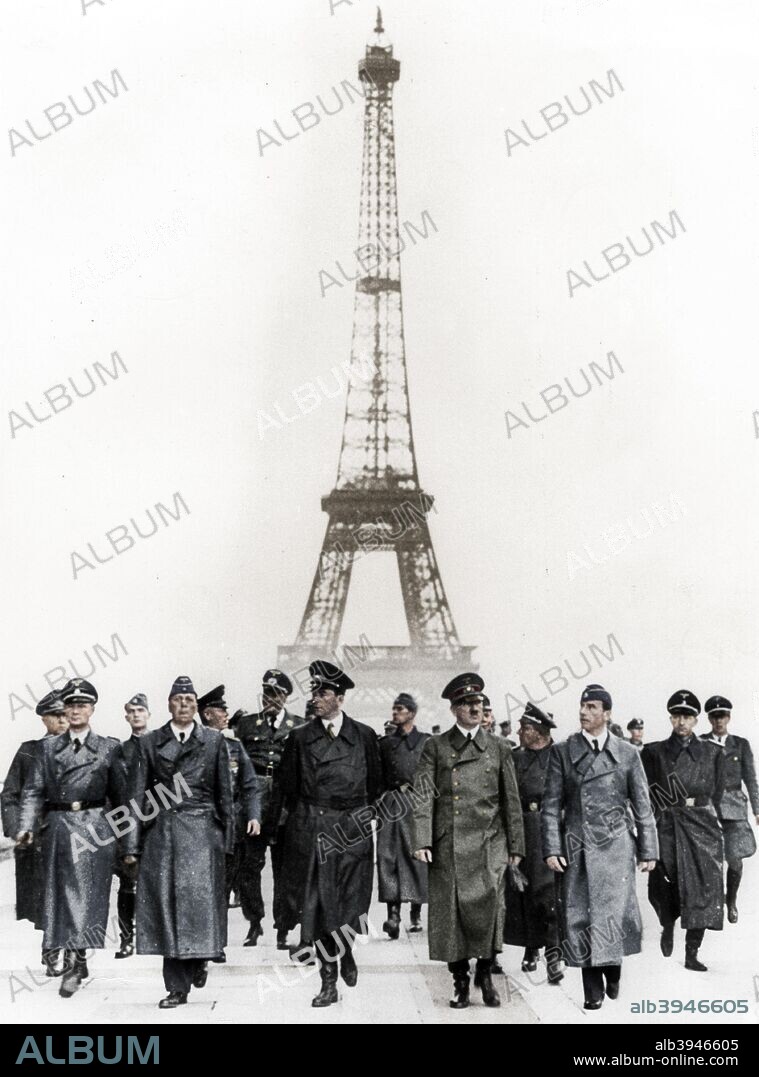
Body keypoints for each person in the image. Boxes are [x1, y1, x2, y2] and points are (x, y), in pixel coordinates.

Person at [124, 675, 239, 1008]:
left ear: (196, 707)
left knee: (199, 907)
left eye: (190, 700)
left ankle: (199, 958)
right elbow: (136, 796)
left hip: (203, 834)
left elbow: (225, 796)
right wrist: (131, 845)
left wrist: (227, 841)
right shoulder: (149, 744)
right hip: (164, 834)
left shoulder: (215, 742)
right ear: (169, 704)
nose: (184, 705)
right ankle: (177, 985)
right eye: (178, 700)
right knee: (169, 908)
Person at [542, 684, 658, 1010]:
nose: (584, 712)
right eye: (582, 706)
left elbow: (643, 805)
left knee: (612, 914)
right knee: (579, 915)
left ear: (607, 714)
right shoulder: (563, 752)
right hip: (577, 847)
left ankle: (613, 968)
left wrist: (648, 850)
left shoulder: (627, 754)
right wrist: (552, 848)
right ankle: (591, 987)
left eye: (592, 707)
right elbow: (551, 806)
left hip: (617, 847)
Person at [412, 673, 524, 1010]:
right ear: (454, 709)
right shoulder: (435, 747)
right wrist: (423, 840)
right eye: (466, 703)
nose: (475, 708)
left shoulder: (500, 748)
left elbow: (511, 800)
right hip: (449, 844)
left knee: (490, 911)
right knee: (450, 916)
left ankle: (486, 973)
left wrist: (516, 846)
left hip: (490, 843)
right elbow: (422, 797)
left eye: (478, 703)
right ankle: (460, 980)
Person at [274, 662, 382, 1008]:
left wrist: (368, 821)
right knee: (319, 908)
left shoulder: (364, 736)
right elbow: (286, 788)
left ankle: (345, 948)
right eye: (314, 692)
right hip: (314, 828)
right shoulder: (300, 737)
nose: (316, 699)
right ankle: (328, 980)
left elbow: (377, 785)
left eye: (323, 693)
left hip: (353, 828)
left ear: (340, 697)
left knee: (352, 902)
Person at [16, 679, 125, 998]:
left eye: (83, 705)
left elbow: (120, 796)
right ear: (65, 709)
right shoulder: (48, 749)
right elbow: (33, 790)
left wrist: (125, 841)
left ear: (92, 710)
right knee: (60, 898)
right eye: (71, 705)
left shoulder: (108, 747)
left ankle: (77, 961)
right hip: (58, 828)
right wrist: (25, 825)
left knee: (89, 898)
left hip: (94, 829)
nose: (76, 710)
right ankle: (72, 956)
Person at [642, 690, 725, 972]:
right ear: (670, 718)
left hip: (701, 823)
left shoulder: (713, 752)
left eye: (688, 716)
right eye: (677, 715)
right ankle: (668, 922)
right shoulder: (654, 752)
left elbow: (719, 791)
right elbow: (646, 793)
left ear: (696, 719)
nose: (682, 722)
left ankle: (692, 951)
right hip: (668, 823)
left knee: (704, 885)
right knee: (665, 879)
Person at [233, 670, 305, 949]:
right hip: (256, 800)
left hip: (285, 801)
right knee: (249, 865)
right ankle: (254, 922)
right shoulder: (247, 725)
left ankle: (284, 926)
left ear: (286, 696)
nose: (271, 699)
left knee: (284, 869)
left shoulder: (299, 726)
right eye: (267, 693)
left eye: (277, 695)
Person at [1, 691, 68, 977]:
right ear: (44, 718)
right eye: (56, 716)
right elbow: (10, 795)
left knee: (73, 893)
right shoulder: (29, 751)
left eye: (66, 714)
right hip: (40, 837)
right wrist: (19, 830)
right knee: (46, 896)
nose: (63, 721)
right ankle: (52, 949)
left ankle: (73, 952)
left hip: (75, 834)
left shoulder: (82, 748)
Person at [504, 702, 563, 984]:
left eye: (524, 728)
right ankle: (531, 948)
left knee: (548, 894)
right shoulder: (515, 758)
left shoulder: (560, 757)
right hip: (520, 828)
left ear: (537, 731)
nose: (518, 731)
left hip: (550, 829)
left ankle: (553, 953)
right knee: (522, 893)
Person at [197, 685, 261, 921]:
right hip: (200, 825)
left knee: (224, 883)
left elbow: (250, 784)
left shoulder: (234, 747)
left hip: (230, 827)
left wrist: (254, 816)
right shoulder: (191, 747)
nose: (226, 714)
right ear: (207, 714)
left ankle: (217, 942)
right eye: (220, 710)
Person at [700, 695, 759, 924]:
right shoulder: (702, 742)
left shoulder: (740, 744)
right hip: (708, 807)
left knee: (734, 859)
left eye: (722, 716)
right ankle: (713, 902)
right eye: (714, 716)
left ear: (729, 717)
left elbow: (751, 779)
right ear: (709, 718)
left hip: (734, 808)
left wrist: (757, 808)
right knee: (709, 859)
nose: (718, 721)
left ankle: (731, 900)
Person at [377, 693, 430, 939]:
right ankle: (393, 914)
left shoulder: (426, 743)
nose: (394, 713)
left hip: (418, 804)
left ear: (411, 712)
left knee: (416, 857)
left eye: (399, 709)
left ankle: (415, 912)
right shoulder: (386, 744)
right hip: (391, 803)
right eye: (394, 709)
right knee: (388, 857)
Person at [111, 692, 151, 959]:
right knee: (128, 883)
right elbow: (113, 789)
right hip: (126, 822)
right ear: (126, 716)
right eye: (131, 711)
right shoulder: (120, 751)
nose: (136, 715)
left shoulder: (159, 745)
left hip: (154, 821)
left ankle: (152, 935)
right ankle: (126, 939)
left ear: (148, 714)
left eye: (140, 710)